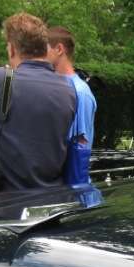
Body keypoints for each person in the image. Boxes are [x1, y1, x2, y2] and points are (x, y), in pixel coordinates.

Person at [0, 12, 75, 190]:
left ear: (12, 48)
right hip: (51, 199)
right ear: (44, 48)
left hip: (6, 201)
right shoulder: (67, 88)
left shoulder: (1, 80)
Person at [47, 25, 97, 187]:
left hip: (68, 190)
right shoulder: (51, 86)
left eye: (44, 49)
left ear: (59, 49)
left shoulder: (80, 92)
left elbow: (80, 145)